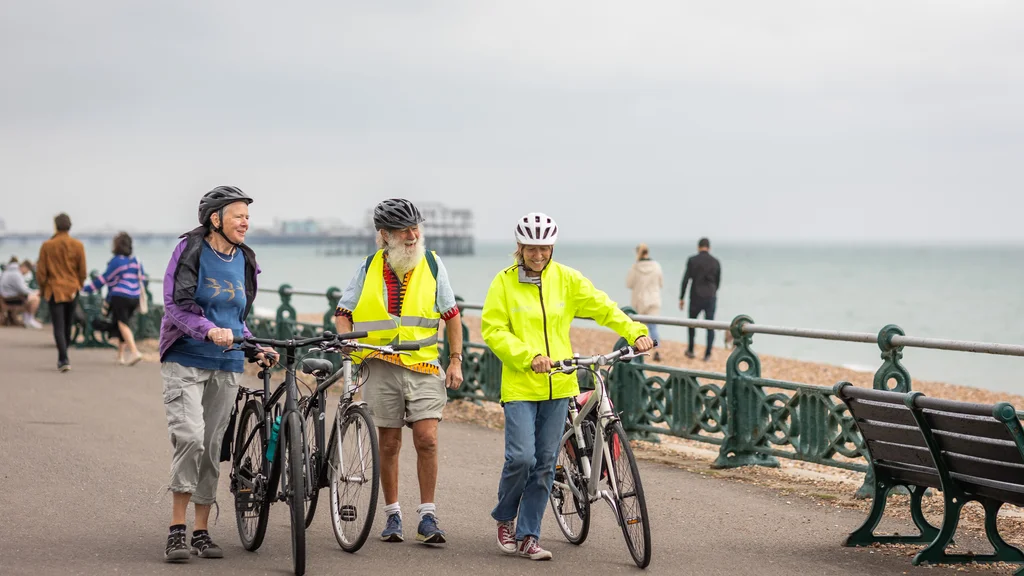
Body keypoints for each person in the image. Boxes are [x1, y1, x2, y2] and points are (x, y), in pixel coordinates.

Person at [481, 212, 653, 561]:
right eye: (532, 248)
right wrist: (529, 356)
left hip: (560, 384)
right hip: (520, 385)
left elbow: (603, 307)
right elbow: (493, 330)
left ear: (552, 247)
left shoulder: (566, 280)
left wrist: (634, 330)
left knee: (545, 462)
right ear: (520, 247)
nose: (539, 255)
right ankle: (504, 516)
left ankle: (529, 535)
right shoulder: (503, 282)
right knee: (521, 458)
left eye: (544, 248)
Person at [333, 198, 464, 546]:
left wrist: (455, 360)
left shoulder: (433, 263)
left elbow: (452, 316)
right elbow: (342, 311)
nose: (412, 234)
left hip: (422, 365)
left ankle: (428, 515)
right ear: (384, 235)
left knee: (427, 439)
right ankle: (392, 515)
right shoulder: (368, 266)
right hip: (380, 364)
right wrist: (347, 341)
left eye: (415, 227)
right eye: (403, 230)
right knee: (388, 444)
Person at [158, 186, 277, 563]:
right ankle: (177, 530)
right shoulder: (190, 251)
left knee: (211, 448)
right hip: (186, 358)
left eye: (247, 216)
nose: (246, 222)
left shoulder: (244, 260)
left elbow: (238, 320)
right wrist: (206, 329)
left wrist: (255, 345)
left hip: (226, 363)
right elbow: (175, 304)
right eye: (238, 215)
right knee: (190, 437)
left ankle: (201, 530)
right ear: (216, 219)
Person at [82, 232, 146, 365]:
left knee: (122, 324)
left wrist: (85, 289)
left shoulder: (116, 261)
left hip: (120, 296)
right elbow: (143, 280)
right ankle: (120, 356)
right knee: (123, 324)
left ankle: (134, 352)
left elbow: (103, 279)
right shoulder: (137, 261)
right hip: (135, 296)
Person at [35, 213, 87, 371]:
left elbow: (41, 273)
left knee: (58, 325)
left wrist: (43, 289)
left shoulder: (47, 245)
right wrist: (78, 284)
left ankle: (63, 359)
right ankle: (64, 356)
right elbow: (83, 271)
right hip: (72, 290)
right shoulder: (78, 245)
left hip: (54, 290)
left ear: (55, 226)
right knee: (68, 324)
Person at [679, 237, 721, 361]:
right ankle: (707, 354)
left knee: (691, 324)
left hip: (696, 296)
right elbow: (718, 281)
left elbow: (686, 280)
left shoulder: (692, 260)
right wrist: (713, 291)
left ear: (698, 247)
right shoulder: (715, 262)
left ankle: (691, 350)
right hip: (710, 296)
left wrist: (681, 297)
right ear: (709, 247)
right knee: (710, 325)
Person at [626, 243, 664, 361]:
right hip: (653, 300)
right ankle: (657, 349)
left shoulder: (635, 267)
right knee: (653, 327)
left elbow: (629, 284)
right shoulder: (657, 266)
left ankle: (640, 353)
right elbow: (661, 283)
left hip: (640, 300)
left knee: (639, 329)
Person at [0, 256, 42, 328]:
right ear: (24, 267)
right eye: (28, 271)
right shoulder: (16, 274)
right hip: (11, 298)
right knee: (35, 298)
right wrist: (34, 292)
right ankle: (29, 319)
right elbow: (23, 289)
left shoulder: (7, 271)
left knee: (31, 297)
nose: (26, 273)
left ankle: (27, 318)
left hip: (5, 297)